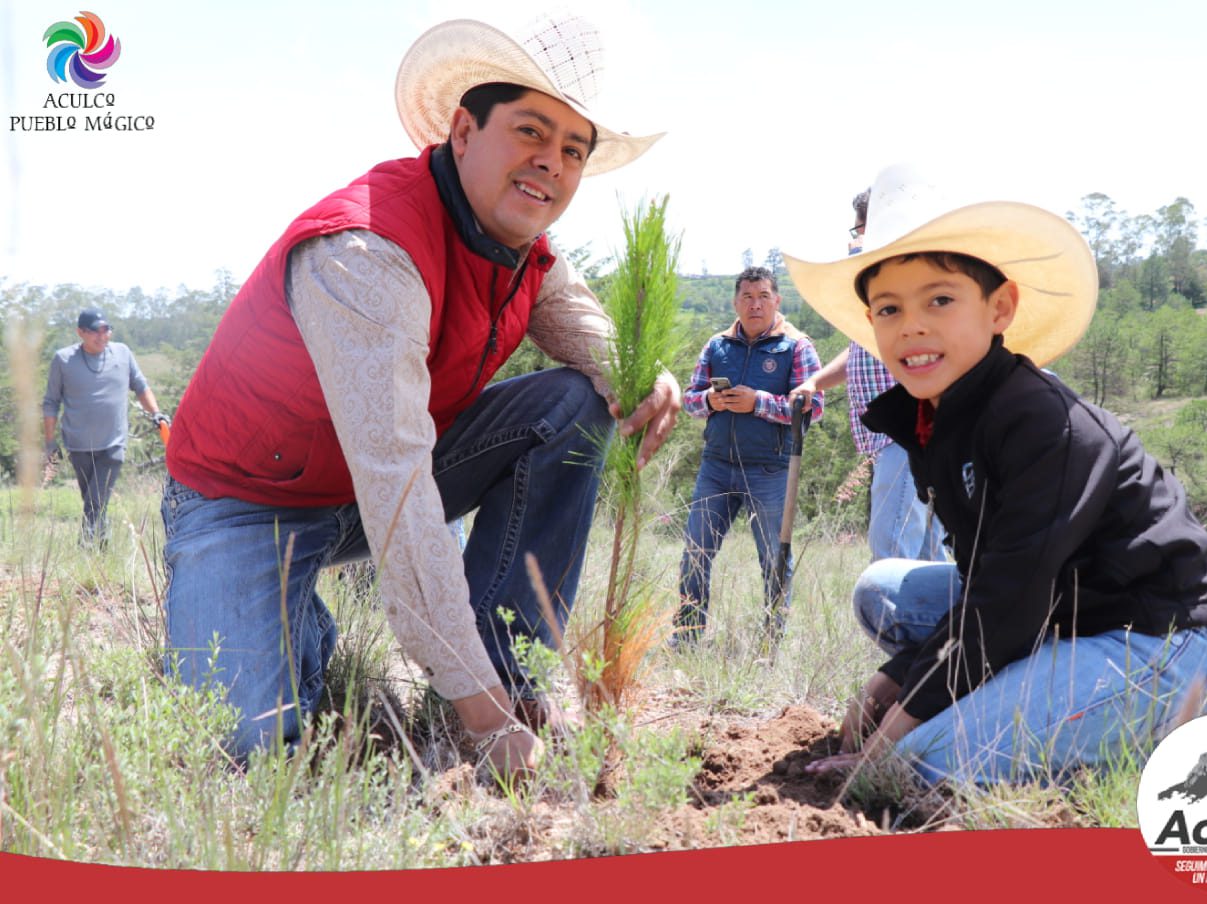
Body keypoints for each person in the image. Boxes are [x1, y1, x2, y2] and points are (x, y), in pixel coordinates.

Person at [161, 13, 676, 773]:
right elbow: (398, 494)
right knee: (244, 751)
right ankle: (295, 613)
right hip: (245, 501)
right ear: (464, 131)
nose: (552, 164)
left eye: (573, 149)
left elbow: (574, 317)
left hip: (355, 495)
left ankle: (505, 668)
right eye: (530, 132)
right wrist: (484, 721)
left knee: (570, 405)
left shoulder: (515, 246)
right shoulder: (366, 255)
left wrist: (638, 371)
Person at [784, 164, 1207, 785]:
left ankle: (1122, 730)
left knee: (917, 764)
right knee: (884, 592)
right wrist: (899, 676)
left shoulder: (1042, 423)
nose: (912, 325)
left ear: (999, 308)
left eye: (940, 299)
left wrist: (896, 729)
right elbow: (985, 582)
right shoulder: (934, 419)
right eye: (888, 309)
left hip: (1161, 640)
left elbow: (1008, 600)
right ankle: (1038, 696)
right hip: (1054, 612)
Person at [792, 188, 944, 562]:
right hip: (893, 436)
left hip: (907, 432)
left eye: (861, 227)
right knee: (926, 552)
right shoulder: (880, 296)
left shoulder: (890, 268)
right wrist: (815, 382)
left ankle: (891, 622)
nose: (855, 237)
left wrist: (863, 246)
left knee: (891, 549)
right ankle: (943, 622)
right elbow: (861, 347)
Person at [675, 266, 823, 643]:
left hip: (771, 471)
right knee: (696, 552)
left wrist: (757, 403)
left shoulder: (797, 346)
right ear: (735, 302)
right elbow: (689, 401)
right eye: (747, 297)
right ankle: (687, 636)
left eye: (763, 297)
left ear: (777, 300)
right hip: (716, 466)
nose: (755, 305)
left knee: (774, 560)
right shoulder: (717, 345)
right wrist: (711, 399)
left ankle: (772, 640)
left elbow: (813, 405)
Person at [43, 308, 169, 546]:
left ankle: (89, 549)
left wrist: (157, 414)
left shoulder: (122, 353)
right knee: (95, 501)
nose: (102, 336)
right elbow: (51, 402)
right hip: (79, 446)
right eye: (95, 332)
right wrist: (50, 442)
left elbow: (141, 386)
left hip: (114, 443)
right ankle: (102, 548)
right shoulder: (63, 360)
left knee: (95, 501)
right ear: (80, 332)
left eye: (106, 330)